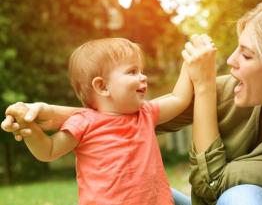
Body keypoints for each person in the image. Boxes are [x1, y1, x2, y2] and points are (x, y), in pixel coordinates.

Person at [2, 0, 262, 205]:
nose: (230, 60)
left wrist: (203, 85)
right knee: (132, 194)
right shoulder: (233, 89)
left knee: (244, 199)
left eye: (247, 53)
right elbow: (124, 118)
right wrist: (44, 114)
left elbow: (213, 185)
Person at [2, 37, 200, 205]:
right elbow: (49, 150)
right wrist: (29, 128)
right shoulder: (84, 122)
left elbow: (178, 98)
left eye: (141, 70)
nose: (144, 77)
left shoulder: (146, 113)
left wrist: (189, 62)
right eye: (132, 72)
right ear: (102, 86)